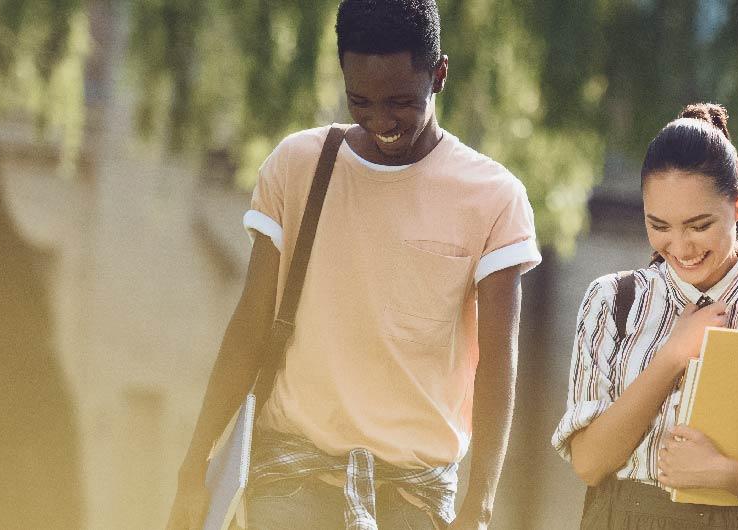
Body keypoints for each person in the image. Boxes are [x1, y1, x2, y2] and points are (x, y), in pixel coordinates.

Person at [164, 1, 539, 528]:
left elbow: (498, 366)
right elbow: (249, 325)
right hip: (290, 480)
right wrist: (194, 463)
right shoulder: (296, 168)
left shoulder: (494, 198)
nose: (381, 121)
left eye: (400, 103)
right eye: (360, 100)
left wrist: (478, 506)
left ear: (440, 74)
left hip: (413, 495)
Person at [551, 103, 738, 529]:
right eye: (660, 225)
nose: (681, 247)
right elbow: (589, 464)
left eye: (699, 225)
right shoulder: (613, 301)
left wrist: (721, 472)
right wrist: (672, 356)